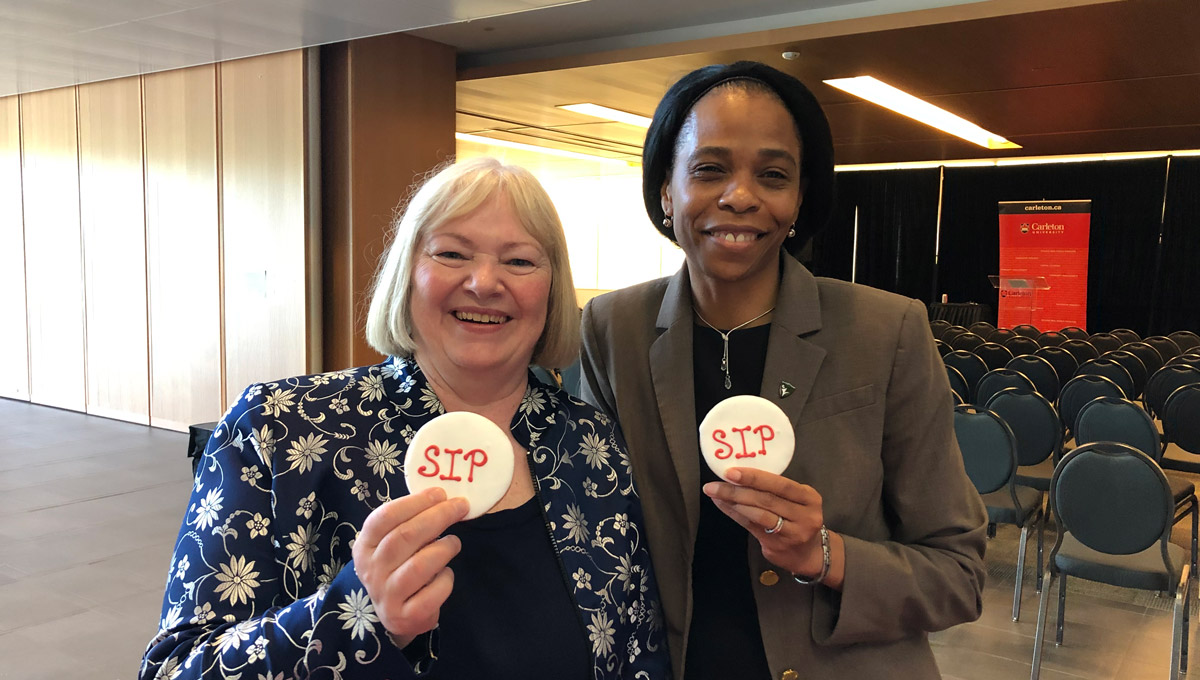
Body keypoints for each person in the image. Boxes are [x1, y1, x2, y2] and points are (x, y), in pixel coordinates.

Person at [141, 157, 670, 679]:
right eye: (452, 253)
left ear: (552, 291)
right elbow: (175, 671)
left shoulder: (591, 443)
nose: (484, 282)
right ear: (407, 274)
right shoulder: (279, 430)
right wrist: (355, 616)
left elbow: (640, 653)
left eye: (520, 262)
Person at [579, 61, 987, 678]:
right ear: (666, 189)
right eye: (709, 169)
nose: (740, 196)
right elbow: (592, 534)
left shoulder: (887, 331)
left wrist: (823, 553)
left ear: (799, 200)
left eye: (772, 175)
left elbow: (958, 574)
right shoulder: (613, 330)